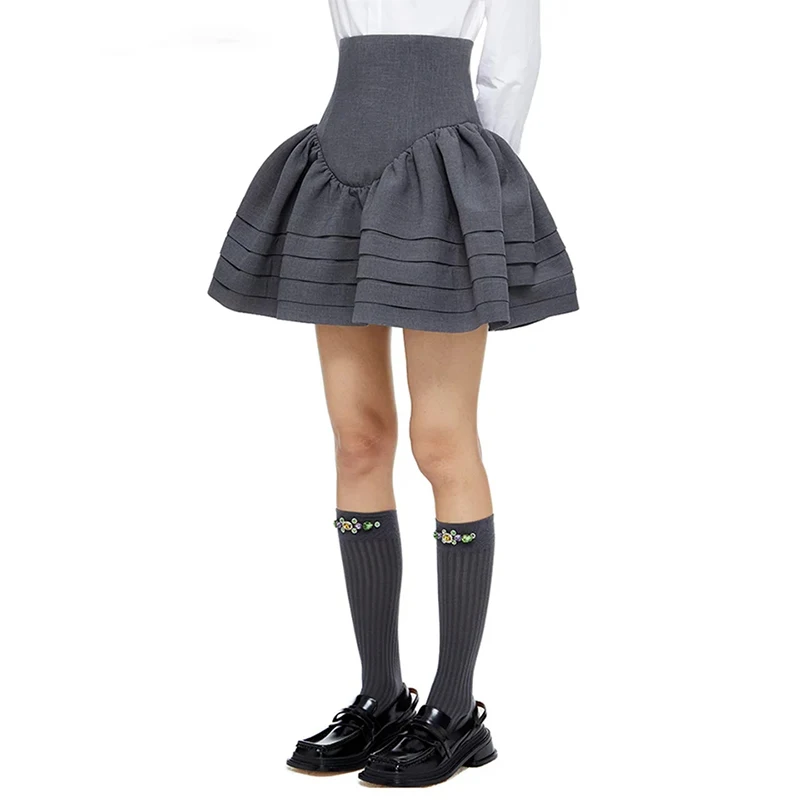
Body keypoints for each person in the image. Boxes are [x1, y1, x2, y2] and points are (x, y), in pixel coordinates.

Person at [207, 0, 578, 787]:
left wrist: (477, 191)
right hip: (342, 163)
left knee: (442, 439)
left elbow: (511, 69)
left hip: (446, 171)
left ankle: (456, 707)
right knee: (358, 436)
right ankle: (380, 693)